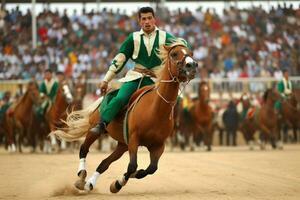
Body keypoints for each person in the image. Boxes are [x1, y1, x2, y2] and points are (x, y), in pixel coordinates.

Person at [91, 7, 179, 135]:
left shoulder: (165, 36)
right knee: (120, 98)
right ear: (139, 21)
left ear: (154, 19)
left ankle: (173, 128)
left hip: (157, 79)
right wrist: (106, 80)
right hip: (136, 76)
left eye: (149, 18)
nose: (147, 21)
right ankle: (102, 124)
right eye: (144, 19)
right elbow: (120, 59)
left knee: (174, 101)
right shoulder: (133, 38)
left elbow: (181, 45)